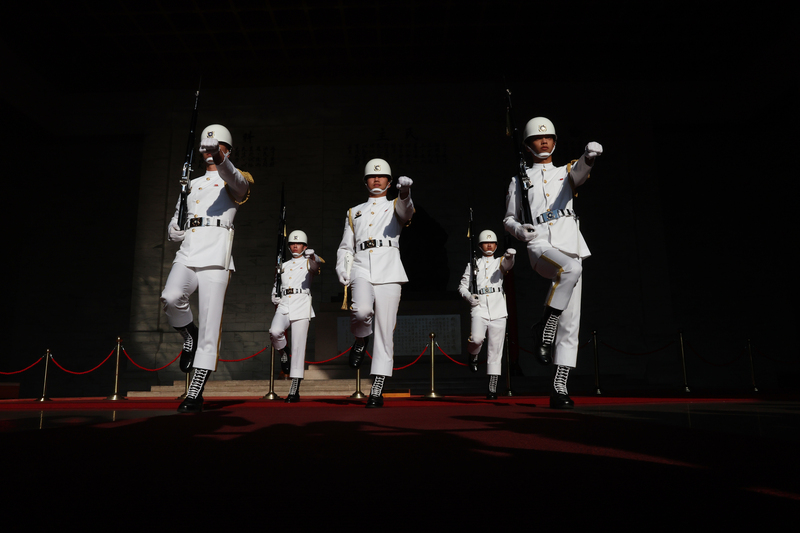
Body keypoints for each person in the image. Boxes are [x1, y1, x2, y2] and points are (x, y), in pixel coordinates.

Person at [503, 116, 602, 409]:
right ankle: (546, 324)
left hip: (570, 243)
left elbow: (581, 172)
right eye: (537, 138)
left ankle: (559, 387)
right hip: (540, 243)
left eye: (548, 137)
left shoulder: (565, 171)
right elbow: (509, 218)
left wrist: (589, 157)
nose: (544, 141)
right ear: (527, 145)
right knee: (570, 269)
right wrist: (518, 230)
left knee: (570, 323)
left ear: (555, 142)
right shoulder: (519, 180)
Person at [161, 124, 253, 413]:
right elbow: (179, 215)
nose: (212, 151)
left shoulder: (235, 179)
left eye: (219, 147)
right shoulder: (191, 183)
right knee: (170, 297)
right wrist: (174, 228)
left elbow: (237, 181)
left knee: (211, 323)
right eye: (208, 148)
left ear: (227, 151)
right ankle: (190, 334)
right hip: (189, 250)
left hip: (216, 254)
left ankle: (196, 390)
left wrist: (221, 159)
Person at [335, 158, 414, 408]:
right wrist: (342, 268)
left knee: (385, 329)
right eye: (372, 176)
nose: (376, 179)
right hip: (361, 265)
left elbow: (406, 211)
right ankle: (360, 339)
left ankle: (377, 387)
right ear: (365, 181)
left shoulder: (395, 205)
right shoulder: (354, 211)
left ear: (389, 183)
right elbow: (346, 246)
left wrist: (405, 192)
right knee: (361, 311)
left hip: (389, 267)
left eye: (382, 177)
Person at [458, 230, 516, 399]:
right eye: (485, 243)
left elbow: (508, 265)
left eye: (492, 243)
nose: (489, 245)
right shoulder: (473, 264)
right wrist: (469, 296)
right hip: (480, 307)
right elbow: (462, 286)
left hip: (498, 308)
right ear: (480, 245)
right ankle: (473, 354)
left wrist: (510, 256)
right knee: (476, 339)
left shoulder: (500, 261)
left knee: (495, 349)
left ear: (496, 245)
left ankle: (492, 387)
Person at [269, 230, 322, 403]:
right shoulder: (283, 265)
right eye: (292, 244)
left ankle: (295, 387)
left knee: (299, 347)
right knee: (275, 331)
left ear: (304, 246)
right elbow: (277, 282)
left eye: (298, 244)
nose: (295, 246)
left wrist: (313, 256)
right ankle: (283, 351)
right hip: (285, 303)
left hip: (301, 303)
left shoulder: (309, 262)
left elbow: (316, 265)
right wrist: (274, 294)